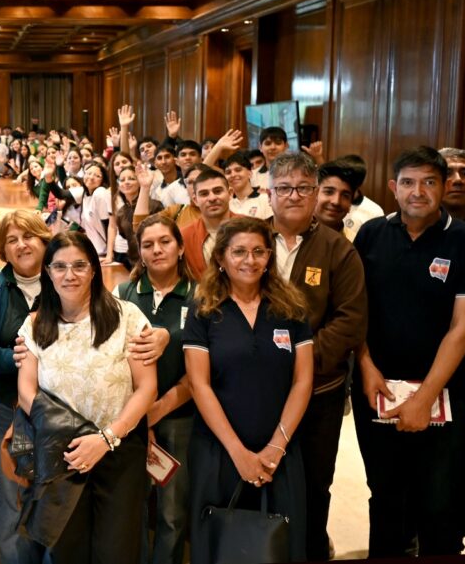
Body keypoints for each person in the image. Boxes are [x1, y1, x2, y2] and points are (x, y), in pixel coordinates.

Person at [352, 146, 465, 557]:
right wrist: (365, 366)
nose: (419, 192)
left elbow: (462, 329)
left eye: (429, 182)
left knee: (439, 502)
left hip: (447, 394)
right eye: (409, 183)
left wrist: (424, 398)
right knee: (385, 495)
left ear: (444, 186)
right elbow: (355, 310)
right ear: (394, 188)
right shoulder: (371, 234)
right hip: (377, 388)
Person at [16, 230, 157, 561]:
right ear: (47, 272)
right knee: (67, 550)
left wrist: (106, 438)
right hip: (61, 452)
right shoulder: (35, 324)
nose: (70, 274)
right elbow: (26, 390)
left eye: (79, 265)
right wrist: (67, 434)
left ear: (94, 269)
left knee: (117, 550)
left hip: (119, 449)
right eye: (60, 266)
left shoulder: (128, 317)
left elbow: (147, 387)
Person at [183, 216, 313, 564]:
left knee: (281, 544)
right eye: (239, 251)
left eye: (258, 251)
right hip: (219, 450)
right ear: (221, 258)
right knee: (220, 546)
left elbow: (303, 381)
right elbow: (200, 384)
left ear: (269, 257)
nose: (250, 260)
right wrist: (239, 453)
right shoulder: (204, 309)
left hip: (280, 451)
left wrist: (276, 446)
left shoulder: (292, 307)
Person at [265, 152, 368, 561]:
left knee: (312, 484)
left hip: (318, 394)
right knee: (262, 475)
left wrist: (301, 366)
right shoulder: (248, 240)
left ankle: (309, 551)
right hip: (254, 390)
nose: (294, 196)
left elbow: (350, 321)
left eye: (303, 188)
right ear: (268, 193)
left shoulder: (337, 250)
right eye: (284, 188)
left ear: (314, 194)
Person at [115, 214, 196, 564]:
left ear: (180, 248)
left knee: (172, 512)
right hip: (131, 417)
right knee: (132, 506)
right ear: (139, 253)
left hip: (179, 415)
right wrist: (138, 417)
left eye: (165, 241)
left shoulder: (200, 297)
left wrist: (154, 412)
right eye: (147, 244)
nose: (157, 249)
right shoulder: (124, 294)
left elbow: (200, 373)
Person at [0, 210, 51, 564]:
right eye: (12, 239)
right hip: (8, 406)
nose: (21, 244)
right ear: (4, 250)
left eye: (28, 236)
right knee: (11, 496)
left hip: (59, 410)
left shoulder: (64, 280)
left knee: (55, 495)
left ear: (44, 239)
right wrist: (19, 358)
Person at [181, 168, 235, 278]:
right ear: (195, 200)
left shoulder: (251, 227)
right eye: (204, 194)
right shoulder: (184, 236)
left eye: (218, 191)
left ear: (230, 193)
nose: (212, 198)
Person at [223, 152, 271, 219]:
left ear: (250, 173)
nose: (233, 175)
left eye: (238, 170)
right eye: (228, 172)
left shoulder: (265, 200)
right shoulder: (226, 205)